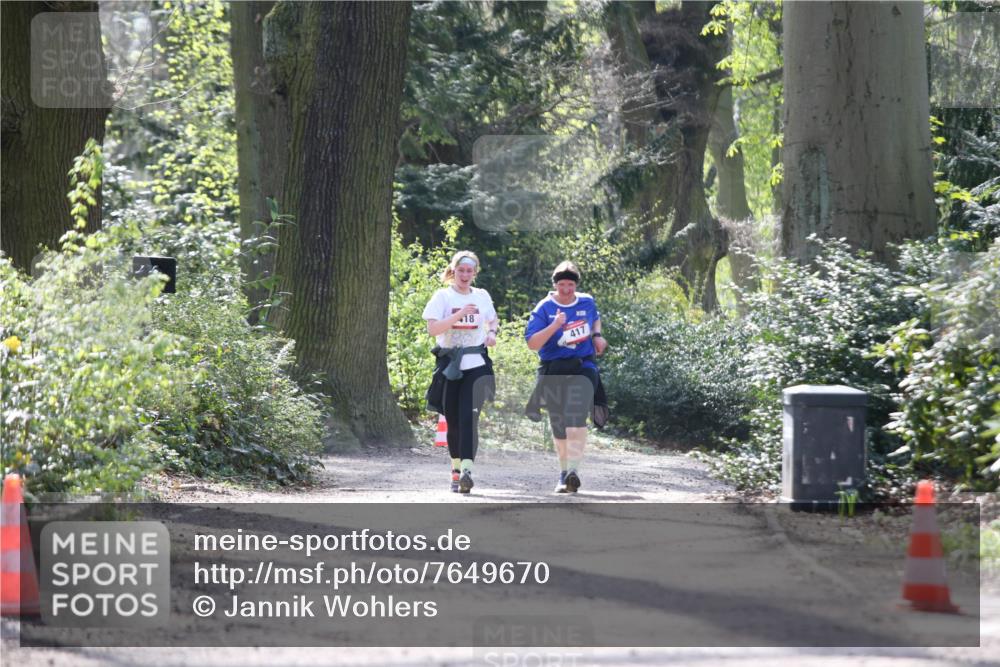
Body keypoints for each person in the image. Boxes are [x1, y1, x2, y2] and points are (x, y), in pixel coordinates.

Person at [524, 261, 608, 493]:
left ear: (576, 285)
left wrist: (597, 335)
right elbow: (532, 344)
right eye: (562, 284)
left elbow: (595, 317)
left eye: (571, 284)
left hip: (583, 366)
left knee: (575, 414)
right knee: (559, 424)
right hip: (553, 369)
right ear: (555, 284)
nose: (566, 289)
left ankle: (573, 471)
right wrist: (555, 325)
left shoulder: (586, 301)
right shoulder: (544, 308)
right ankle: (563, 473)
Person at [423, 251, 498, 493]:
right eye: (461, 270)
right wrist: (459, 313)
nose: (465, 275)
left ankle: (467, 471)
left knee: (469, 419)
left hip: (477, 364)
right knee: (453, 421)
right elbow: (433, 329)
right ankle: (455, 470)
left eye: (469, 271)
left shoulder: (482, 296)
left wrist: (492, 334)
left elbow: (493, 320)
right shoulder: (442, 296)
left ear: (475, 273)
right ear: (453, 271)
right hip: (450, 366)